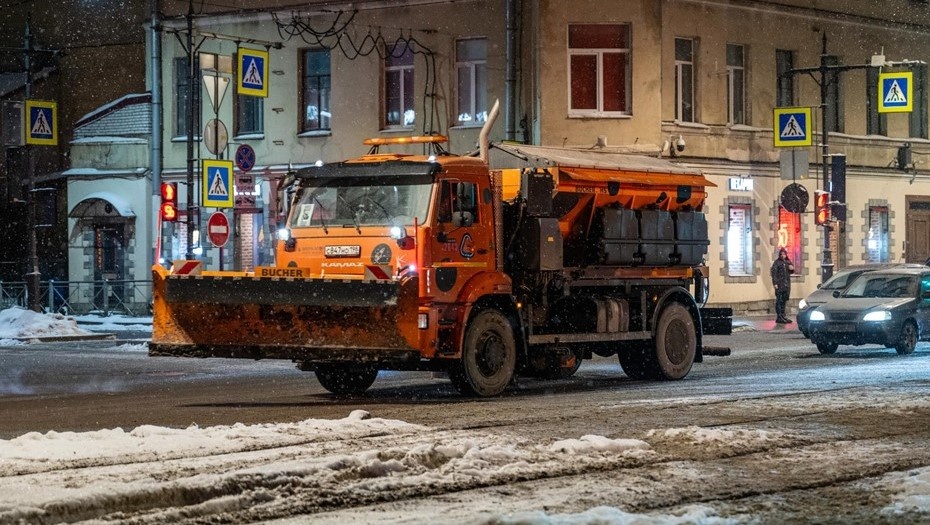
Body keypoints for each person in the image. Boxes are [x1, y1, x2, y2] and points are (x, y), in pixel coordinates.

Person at [771, 247, 795, 324]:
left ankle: (783, 315)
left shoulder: (788, 262)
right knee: (779, 300)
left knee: (784, 300)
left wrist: (792, 269)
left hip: (786, 284)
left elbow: (791, 272)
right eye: (781, 254)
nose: (782, 255)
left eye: (784, 254)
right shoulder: (777, 263)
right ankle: (779, 316)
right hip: (779, 284)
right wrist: (775, 283)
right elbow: (774, 273)